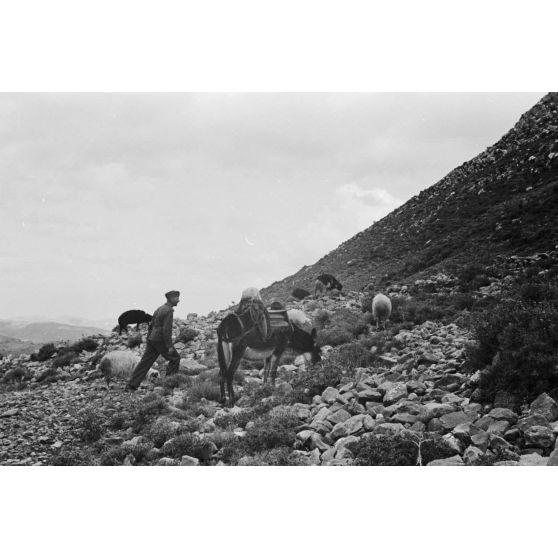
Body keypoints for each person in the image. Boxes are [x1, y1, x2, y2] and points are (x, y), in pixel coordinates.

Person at [126, 290, 181, 391]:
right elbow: (166, 329)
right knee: (175, 359)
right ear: (171, 299)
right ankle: (168, 385)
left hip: (152, 338)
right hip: (160, 339)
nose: (179, 300)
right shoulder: (168, 310)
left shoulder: (160, 308)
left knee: (145, 362)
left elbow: (151, 324)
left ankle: (131, 385)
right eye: (177, 298)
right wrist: (169, 346)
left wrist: (149, 338)